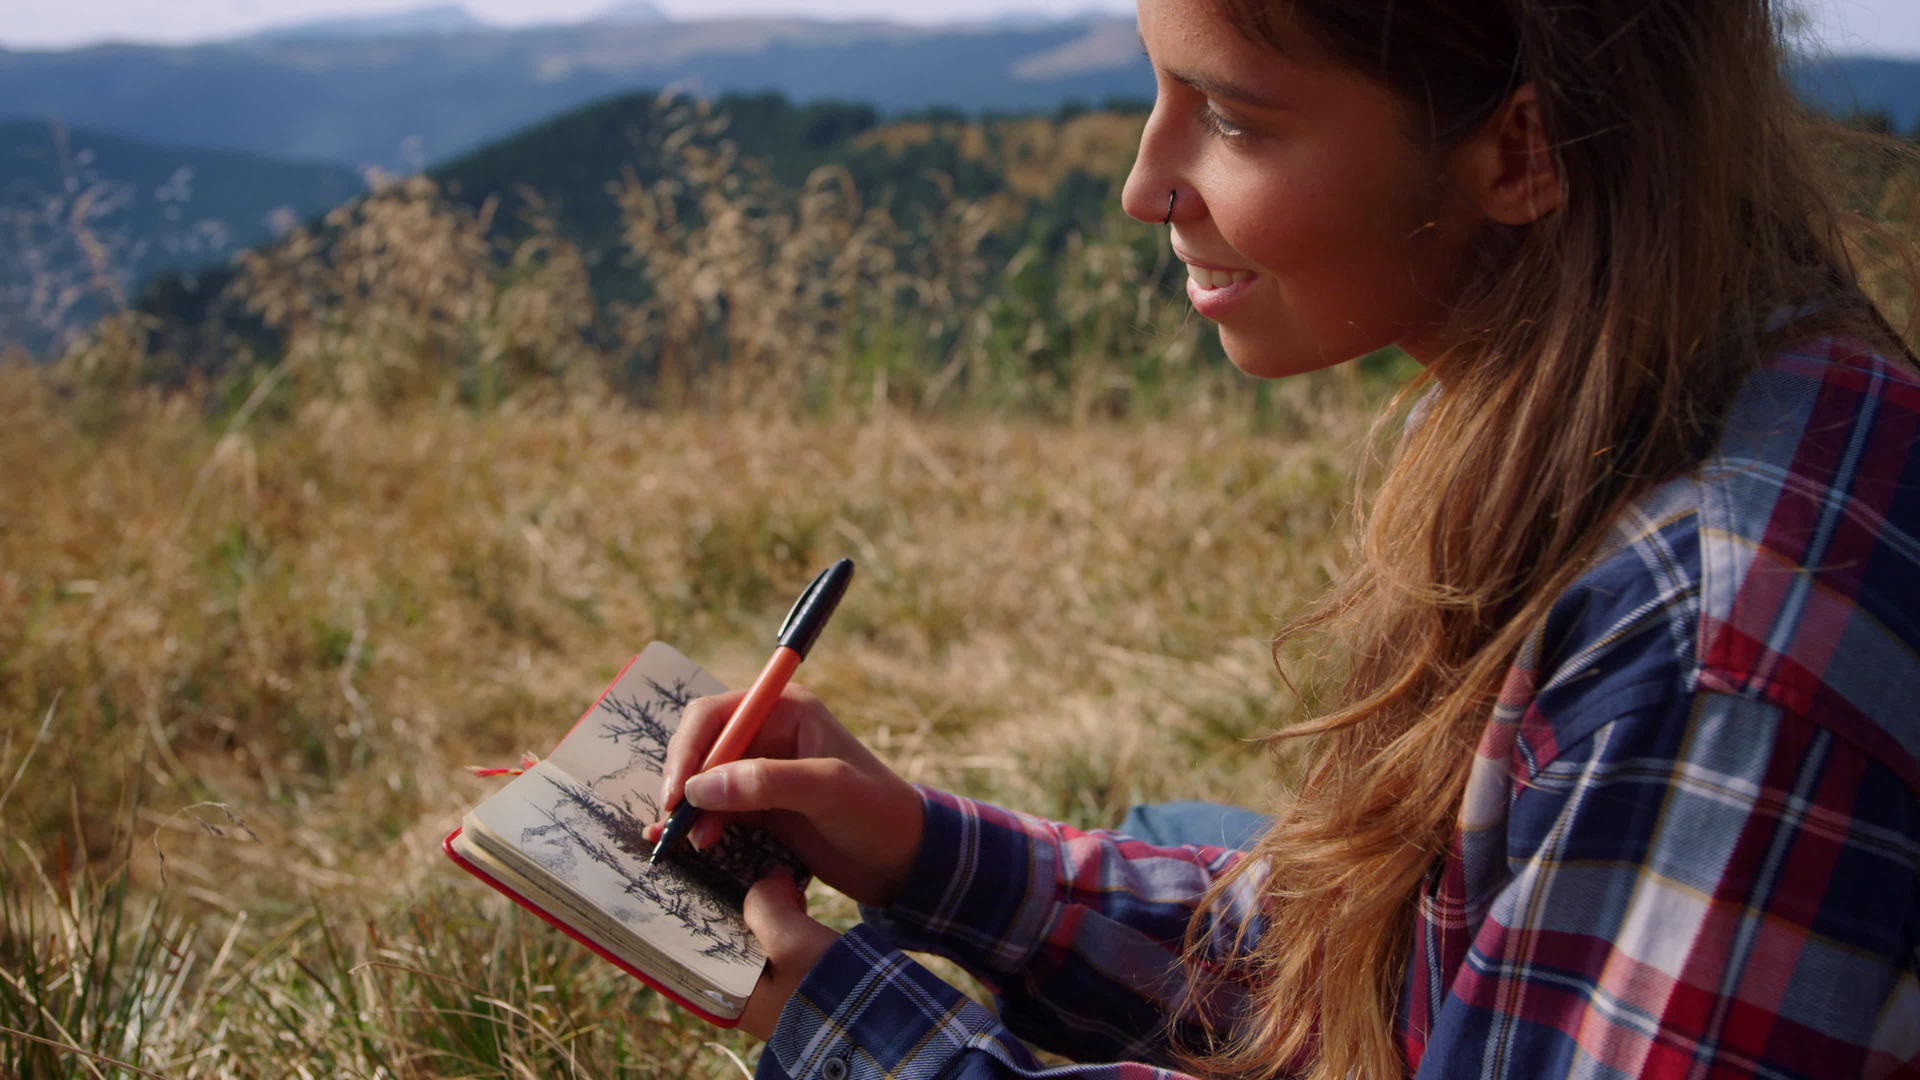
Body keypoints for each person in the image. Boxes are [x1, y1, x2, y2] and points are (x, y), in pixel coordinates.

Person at [646, 0, 1920, 1076]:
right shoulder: (1618, 396)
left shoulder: (1710, 645)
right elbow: (1379, 962)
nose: (1145, 187)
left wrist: (853, 1023)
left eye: (1237, 119)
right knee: (1162, 831)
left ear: (1524, 148)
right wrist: (920, 848)